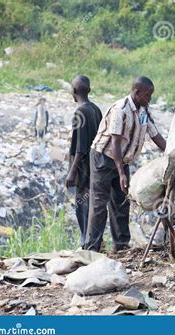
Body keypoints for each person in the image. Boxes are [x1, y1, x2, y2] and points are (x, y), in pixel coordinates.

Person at [84, 76, 166, 252]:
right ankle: (92, 248)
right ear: (137, 93)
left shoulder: (144, 111)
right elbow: (115, 144)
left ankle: (121, 245)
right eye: (148, 95)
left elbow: (155, 135)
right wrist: (121, 173)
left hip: (122, 160)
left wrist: (172, 153)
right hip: (104, 158)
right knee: (99, 204)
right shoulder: (120, 109)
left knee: (121, 202)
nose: (150, 99)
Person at [65, 75, 102, 248]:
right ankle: (93, 241)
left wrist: (72, 171)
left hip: (83, 168)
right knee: (91, 204)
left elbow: (80, 147)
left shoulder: (80, 112)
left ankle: (86, 243)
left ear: (73, 91)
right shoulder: (95, 109)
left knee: (82, 205)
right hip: (95, 164)